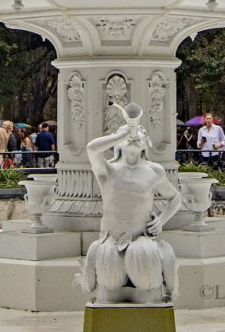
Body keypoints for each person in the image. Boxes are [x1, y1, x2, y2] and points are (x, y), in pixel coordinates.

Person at [80, 103, 181, 303]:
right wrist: (122, 134)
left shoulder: (154, 170)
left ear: (146, 143)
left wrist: (161, 220)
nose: (135, 134)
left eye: (140, 132)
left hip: (142, 241)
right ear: (118, 143)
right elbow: (91, 148)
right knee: (108, 291)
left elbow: (175, 197)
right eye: (128, 133)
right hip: (111, 239)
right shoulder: (108, 169)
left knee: (148, 290)